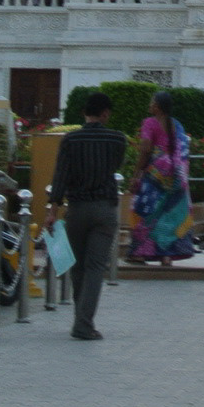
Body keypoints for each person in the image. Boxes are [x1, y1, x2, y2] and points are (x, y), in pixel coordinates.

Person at [47, 91, 128, 339]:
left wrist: (52, 211)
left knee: (78, 266)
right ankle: (84, 322)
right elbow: (116, 166)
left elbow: (61, 177)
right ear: (105, 113)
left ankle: (80, 318)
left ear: (84, 113)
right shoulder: (117, 139)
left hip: (77, 208)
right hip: (104, 208)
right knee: (95, 267)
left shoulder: (71, 140)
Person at [127, 91, 196, 266]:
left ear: (157, 106)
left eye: (151, 103)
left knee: (142, 211)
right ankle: (166, 255)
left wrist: (136, 173)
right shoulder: (176, 125)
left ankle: (140, 253)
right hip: (176, 177)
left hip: (154, 176)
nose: (149, 106)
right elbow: (182, 150)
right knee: (168, 215)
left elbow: (145, 150)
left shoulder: (150, 123)